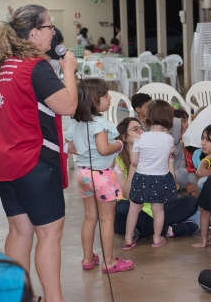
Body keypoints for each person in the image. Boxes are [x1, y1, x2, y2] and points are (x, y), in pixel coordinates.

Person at [0, 4, 77, 302]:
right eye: (50, 27)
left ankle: (18, 297)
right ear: (35, 32)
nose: (54, 32)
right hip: (34, 163)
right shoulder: (36, 66)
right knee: (49, 234)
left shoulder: (3, 67)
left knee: (20, 231)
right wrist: (69, 72)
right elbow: (68, 106)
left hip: (5, 162)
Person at [65, 78, 134, 274]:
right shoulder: (100, 123)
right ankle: (109, 262)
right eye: (105, 95)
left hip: (84, 174)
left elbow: (69, 147)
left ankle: (88, 259)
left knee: (90, 217)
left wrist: (85, 150)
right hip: (102, 176)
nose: (109, 98)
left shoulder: (77, 124)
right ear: (94, 101)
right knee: (106, 219)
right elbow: (104, 149)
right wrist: (119, 145)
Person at [114, 118, 199, 241]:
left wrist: (169, 157)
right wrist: (136, 164)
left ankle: (142, 231)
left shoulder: (156, 152)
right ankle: (167, 231)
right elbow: (127, 194)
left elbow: (174, 187)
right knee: (121, 207)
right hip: (134, 209)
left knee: (191, 202)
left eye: (142, 129)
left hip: (158, 208)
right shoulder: (118, 161)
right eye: (136, 129)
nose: (141, 132)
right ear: (123, 137)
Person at [123, 100, 178, 249]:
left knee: (134, 209)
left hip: (141, 177)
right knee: (158, 210)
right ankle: (156, 238)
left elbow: (134, 161)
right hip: (160, 178)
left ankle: (128, 238)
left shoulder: (140, 138)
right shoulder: (169, 139)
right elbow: (169, 154)